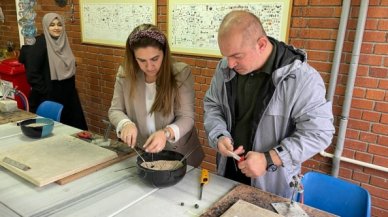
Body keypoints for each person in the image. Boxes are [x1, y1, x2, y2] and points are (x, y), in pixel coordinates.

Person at [203, 10, 335, 198]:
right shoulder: (225, 68)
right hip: (228, 175)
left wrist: (269, 158)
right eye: (225, 56)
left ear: (261, 44)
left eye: (237, 56)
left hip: (272, 184)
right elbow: (213, 105)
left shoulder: (302, 78)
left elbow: (319, 133)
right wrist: (219, 135)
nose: (230, 64)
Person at [108, 24, 204, 167]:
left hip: (179, 153)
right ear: (133, 57)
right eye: (142, 61)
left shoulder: (180, 73)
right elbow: (115, 110)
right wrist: (125, 124)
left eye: (155, 59)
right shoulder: (125, 74)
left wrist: (166, 133)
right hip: (142, 150)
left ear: (164, 53)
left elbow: (186, 117)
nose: (149, 67)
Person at [19, 13, 88, 130]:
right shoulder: (39, 43)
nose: (56, 28)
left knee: (73, 131)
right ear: (46, 26)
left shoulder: (63, 42)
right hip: (48, 97)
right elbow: (32, 73)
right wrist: (46, 92)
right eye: (52, 25)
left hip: (68, 96)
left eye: (59, 25)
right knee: (51, 132)